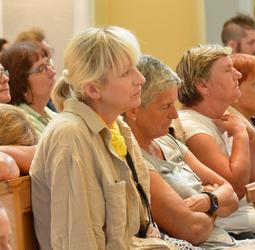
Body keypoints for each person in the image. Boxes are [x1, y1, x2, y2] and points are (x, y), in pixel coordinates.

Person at [30, 26, 174, 250]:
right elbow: (77, 241)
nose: (141, 79)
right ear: (93, 89)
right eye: (126, 73)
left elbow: (137, 227)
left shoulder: (117, 126)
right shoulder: (70, 136)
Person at [125, 54, 255, 249]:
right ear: (134, 110)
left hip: (226, 240)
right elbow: (193, 230)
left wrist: (206, 201)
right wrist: (215, 202)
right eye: (166, 106)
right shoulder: (136, 159)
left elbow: (230, 195)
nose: (175, 114)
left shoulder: (167, 140)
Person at [176, 44, 255, 236]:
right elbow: (234, 188)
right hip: (226, 235)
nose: (237, 75)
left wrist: (252, 137)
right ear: (202, 85)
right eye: (229, 70)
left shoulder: (226, 117)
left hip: (249, 229)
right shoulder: (192, 127)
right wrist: (241, 135)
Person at [0, 42, 57, 138]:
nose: (52, 72)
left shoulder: (51, 113)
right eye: (41, 68)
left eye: (48, 64)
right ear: (21, 83)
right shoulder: (18, 123)